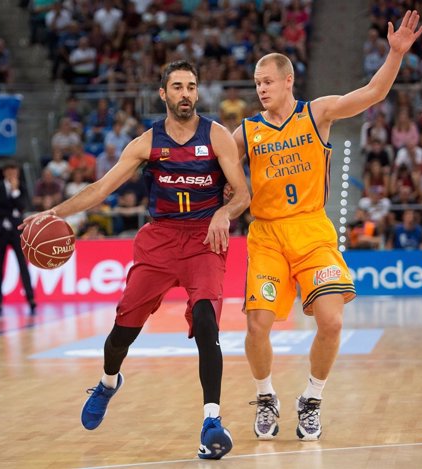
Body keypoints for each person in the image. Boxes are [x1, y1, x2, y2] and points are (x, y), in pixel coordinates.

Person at [20, 60, 250, 459]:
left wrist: (222, 213)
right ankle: (109, 383)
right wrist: (53, 213)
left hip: (202, 242)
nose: (185, 94)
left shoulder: (217, 136)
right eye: (177, 87)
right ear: (163, 94)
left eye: (191, 87)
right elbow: (101, 188)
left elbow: (243, 194)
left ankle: (211, 420)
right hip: (159, 241)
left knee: (206, 320)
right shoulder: (146, 143)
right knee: (122, 331)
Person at [232, 11, 422, 441]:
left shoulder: (317, 114)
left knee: (332, 323)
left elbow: (373, 93)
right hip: (266, 235)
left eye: (267, 80)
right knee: (257, 324)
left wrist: (395, 55)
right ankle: (265, 396)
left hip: (312, 230)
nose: (261, 88)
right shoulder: (246, 132)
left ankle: (312, 399)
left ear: (287, 82)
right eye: (256, 82)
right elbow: (215, 162)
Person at [0, 162, 36, 316]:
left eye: (14, 171)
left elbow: (22, 206)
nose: (12, 174)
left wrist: (15, 191)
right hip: (0, 231)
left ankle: (30, 298)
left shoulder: (21, 188)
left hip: (16, 231)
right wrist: (13, 210)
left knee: (23, 264)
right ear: (4, 172)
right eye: (9, 170)